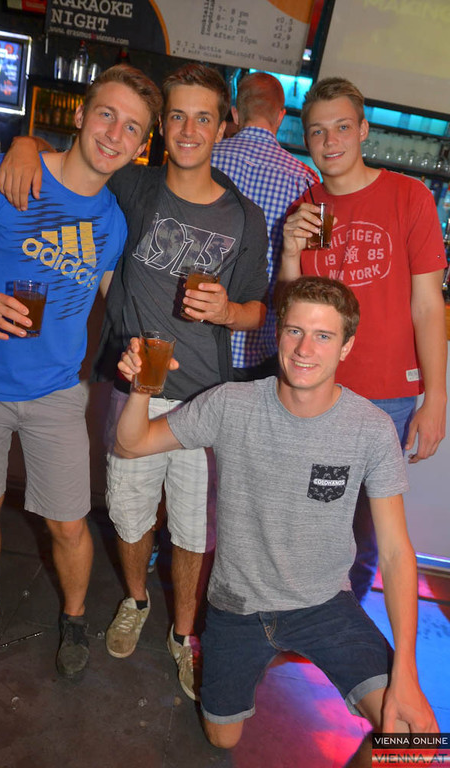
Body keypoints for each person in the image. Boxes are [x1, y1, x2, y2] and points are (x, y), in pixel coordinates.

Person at [0, 62, 269, 700]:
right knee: (127, 515)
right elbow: (74, 165)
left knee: (195, 531)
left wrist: (228, 311)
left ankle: (183, 633)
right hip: (135, 391)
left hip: (206, 401)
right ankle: (137, 599)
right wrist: (24, 142)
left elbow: (260, 308)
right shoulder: (133, 187)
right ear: (162, 126)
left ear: (223, 127)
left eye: (203, 118)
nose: (189, 129)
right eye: (176, 116)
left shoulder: (245, 217)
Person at [113, 275, 438, 751]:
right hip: (237, 605)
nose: (305, 349)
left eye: (323, 335)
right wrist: (142, 385)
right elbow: (132, 443)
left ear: (346, 347)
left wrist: (406, 672)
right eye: (295, 331)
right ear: (278, 334)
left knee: (411, 740)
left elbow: (394, 553)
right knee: (222, 740)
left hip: (324, 604)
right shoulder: (231, 404)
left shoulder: (370, 429)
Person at [0, 64, 162, 679]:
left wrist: (143, 346)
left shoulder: (112, 220)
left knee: (68, 522)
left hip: (57, 390)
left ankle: (74, 615)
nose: (114, 134)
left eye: (132, 127)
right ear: (82, 115)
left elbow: (116, 298)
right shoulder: (3, 176)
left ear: (142, 145)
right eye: (107, 114)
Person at [278, 77, 447, 602]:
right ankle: (296, 609)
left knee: (367, 524)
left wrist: (436, 398)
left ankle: (342, 620)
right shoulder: (306, 206)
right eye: (318, 131)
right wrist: (289, 253)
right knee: (303, 512)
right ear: (306, 138)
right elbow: (290, 308)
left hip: (387, 396)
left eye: (342, 128)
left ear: (364, 130)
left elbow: (428, 305)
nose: (330, 142)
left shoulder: (409, 196)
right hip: (314, 388)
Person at [211, 71, 319, 380]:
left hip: (195, 338)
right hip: (260, 346)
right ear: (281, 116)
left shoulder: (205, 160)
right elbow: (309, 266)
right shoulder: (305, 181)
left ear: (235, 114)